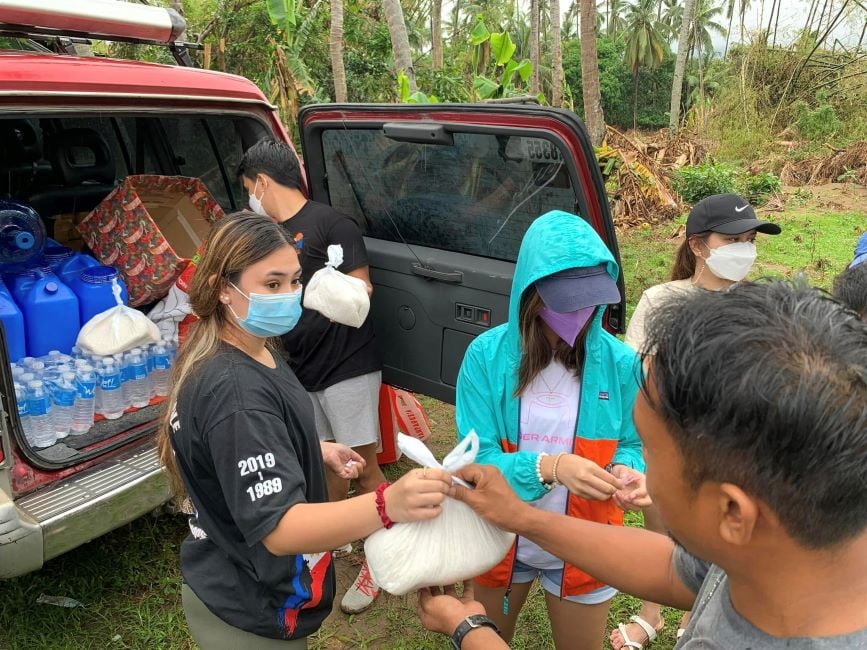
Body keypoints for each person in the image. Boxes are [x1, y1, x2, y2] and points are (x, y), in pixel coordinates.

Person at [420, 278, 867, 650]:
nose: (639, 467)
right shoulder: (769, 552)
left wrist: (469, 630)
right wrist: (523, 518)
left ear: (732, 511)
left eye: (650, 452)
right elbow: (673, 568)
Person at [157, 211, 452, 648]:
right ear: (224, 289)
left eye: (295, 281)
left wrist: (311, 447)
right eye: (272, 284)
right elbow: (282, 530)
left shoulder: (249, 349)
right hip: (250, 608)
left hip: (241, 577)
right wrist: (388, 504)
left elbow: (241, 441)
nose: (290, 295)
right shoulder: (235, 394)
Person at [455, 210, 648, 649]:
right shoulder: (485, 358)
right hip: (502, 540)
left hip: (586, 544)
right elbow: (475, 461)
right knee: (485, 640)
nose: (581, 312)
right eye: (567, 300)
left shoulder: (621, 366)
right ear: (531, 292)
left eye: (591, 298)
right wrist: (551, 467)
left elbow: (635, 442)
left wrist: (629, 469)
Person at [616, 193, 780, 649]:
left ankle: (696, 618)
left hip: (731, 444)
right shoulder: (661, 301)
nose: (743, 249)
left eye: (749, 240)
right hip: (669, 439)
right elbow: (638, 376)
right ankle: (652, 613)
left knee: (713, 538)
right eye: (731, 239)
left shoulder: (757, 303)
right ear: (698, 247)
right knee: (662, 525)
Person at [237, 139, 387, 614]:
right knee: (324, 462)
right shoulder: (266, 235)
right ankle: (334, 535)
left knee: (366, 468)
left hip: (346, 365)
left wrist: (322, 286)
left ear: (261, 181)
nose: (249, 199)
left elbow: (362, 294)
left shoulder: (331, 223)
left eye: (248, 189)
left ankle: (381, 561)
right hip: (300, 368)